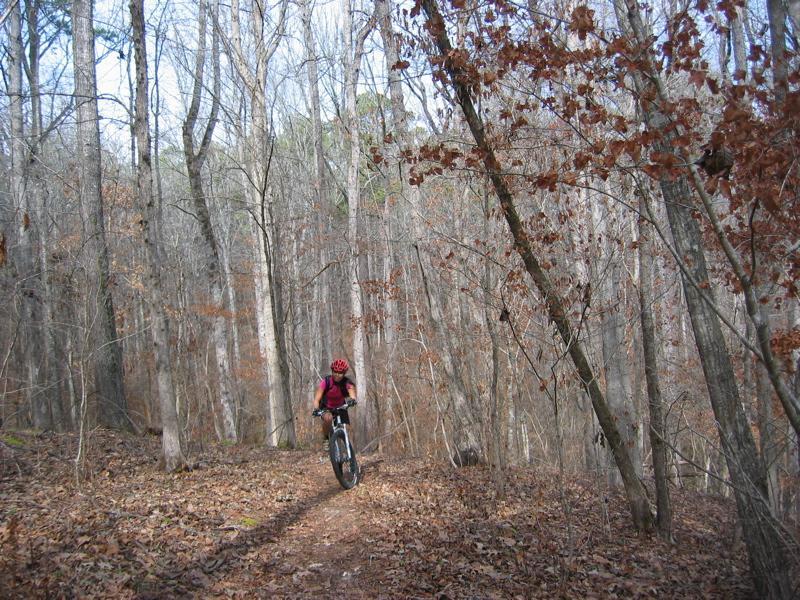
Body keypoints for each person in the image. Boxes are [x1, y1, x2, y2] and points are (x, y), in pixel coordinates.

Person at [312, 359, 357, 451]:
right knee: (328, 419)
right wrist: (316, 409)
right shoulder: (326, 381)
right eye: (335, 372)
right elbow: (317, 398)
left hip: (340, 406)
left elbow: (352, 392)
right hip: (326, 406)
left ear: (344, 373)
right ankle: (326, 438)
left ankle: (349, 451)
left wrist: (353, 400)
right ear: (332, 371)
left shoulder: (346, 382)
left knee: (347, 427)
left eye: (340, 373)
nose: (337, 375)